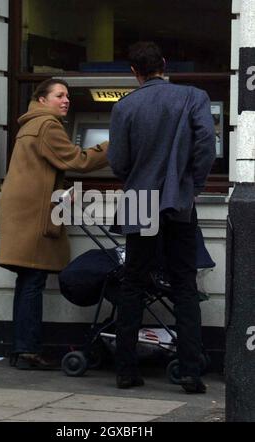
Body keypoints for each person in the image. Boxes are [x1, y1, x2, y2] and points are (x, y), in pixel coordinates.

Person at [108, 42, 216, 393]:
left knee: (133, 283)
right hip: (178, 199)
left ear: (133, 72)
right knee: (184, 284)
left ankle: (125, 370)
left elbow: (118, 162)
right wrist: (192, 184)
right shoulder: (193, 97)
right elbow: (205, 146)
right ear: (164, 64)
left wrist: (136, 179)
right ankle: (189, 371)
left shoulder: (124, 106)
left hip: (140, 197)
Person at [0, 78, 108, 369]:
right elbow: (77, 160)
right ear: (42, 99)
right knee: (33, 281)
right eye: (59, 95)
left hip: (22, 213)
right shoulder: (47, 125)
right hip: (34, 215)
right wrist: (114, 145)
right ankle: (28, 352)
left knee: (26, 282)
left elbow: (46, 169)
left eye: (68, 96)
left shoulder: (29, 125)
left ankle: (21, 348)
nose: (66, 100)